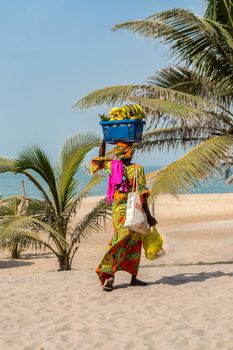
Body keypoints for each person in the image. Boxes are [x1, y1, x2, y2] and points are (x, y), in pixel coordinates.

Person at [91, 140, 157, 291]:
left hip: (120, 210)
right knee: (127, 240)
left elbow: (100, 158)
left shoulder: (113, 167)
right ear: (130, 153)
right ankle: (110, 275)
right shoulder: (137, 169)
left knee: (126, 239)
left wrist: (104, 139)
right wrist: (148, 215)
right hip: (134, 209)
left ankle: (129, 277)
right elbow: (142, 195)